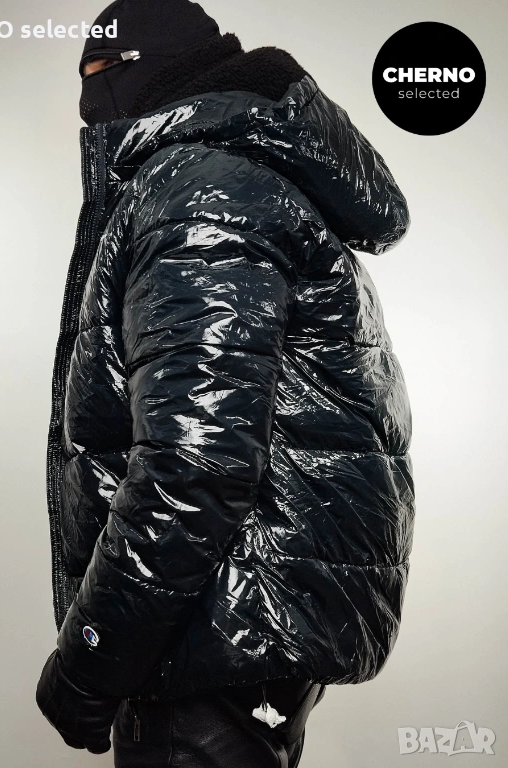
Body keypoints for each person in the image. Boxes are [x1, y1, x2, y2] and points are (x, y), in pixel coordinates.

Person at [35, 1, 415, 765]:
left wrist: (92, 658)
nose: (88, 97)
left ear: (146, 71)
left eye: (99, 70)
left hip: (209, 637)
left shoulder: (200, 191)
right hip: (247, 628)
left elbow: (194, 465)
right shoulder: (251, 179)